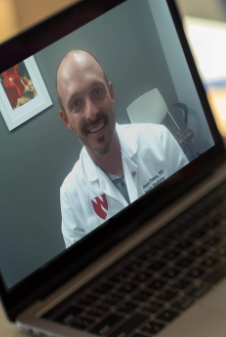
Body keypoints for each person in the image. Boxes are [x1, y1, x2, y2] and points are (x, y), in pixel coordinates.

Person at [57, 50, 189, 247]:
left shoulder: (160, 140)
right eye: (76, 104)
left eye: (97, 92)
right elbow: (85, 268)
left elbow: (195, 205)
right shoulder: (70, 195)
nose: (92, 113)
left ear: (111, 94)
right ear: (66, 119)